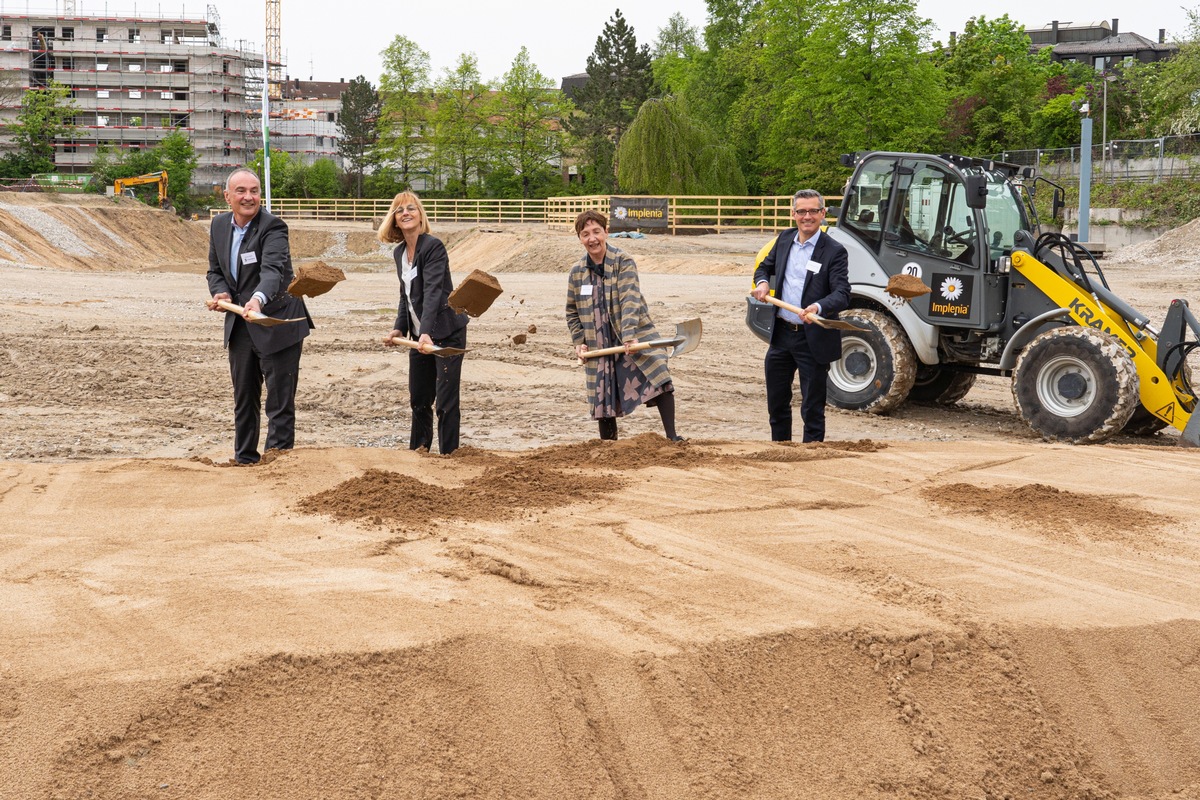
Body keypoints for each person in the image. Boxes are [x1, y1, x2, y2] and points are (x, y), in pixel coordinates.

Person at [206, 167, 313, 464]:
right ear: (227, 196)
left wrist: (257, 300)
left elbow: (272, 271)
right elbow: (214, 271)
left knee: (279, 402)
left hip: (278, 323)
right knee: (244, 398)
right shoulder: (217, 226)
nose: (249, 197)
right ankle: (245, 459)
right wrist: (222, 293)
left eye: (254, 191)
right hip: (240, 324)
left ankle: (276, 465)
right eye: (241, 191)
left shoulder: (273, 227)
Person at [565, 209, 683, 442]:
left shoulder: (623, 261)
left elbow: (630, 299)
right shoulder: (577, 272)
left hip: (633, 334)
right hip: (599, 342)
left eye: (596, 232)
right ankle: (609, 447)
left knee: (658, 374)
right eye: (585, 233)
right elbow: (572, 312)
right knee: (602, 393)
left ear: (606, 232)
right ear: (580, 238)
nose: (592, 238)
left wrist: (629, 335)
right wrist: (579, 342)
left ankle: (672, 437)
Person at [751, 189, 851, 442]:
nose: (807, 216)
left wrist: (818, 307)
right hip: (782, 334)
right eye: (802, 211)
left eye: (813, 211)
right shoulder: (784, 239)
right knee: (776, 403)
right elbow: (765, 266)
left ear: (823, 214)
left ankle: (811, 458)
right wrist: (763, 283)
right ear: (793, 214)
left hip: (813, 338)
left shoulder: (834, 251)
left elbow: (842, 293)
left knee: (812, 408)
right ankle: (780, 450)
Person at [378, 191, 468, 455]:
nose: (405, 213)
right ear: (393, 219)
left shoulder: (433, 247)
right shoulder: (399, 253)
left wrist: (426, 332)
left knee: (446, 400)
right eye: (399, 210)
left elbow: (433, 292)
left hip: (446, 333)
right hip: (420, 335)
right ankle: (418, 452)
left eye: (411, 208)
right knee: (419, 398)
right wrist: (399, 327)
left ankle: (449, 454)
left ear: (420, 215)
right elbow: (405, 295)